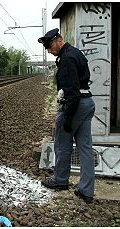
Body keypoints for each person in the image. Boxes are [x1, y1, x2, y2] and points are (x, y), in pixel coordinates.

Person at [37, 28, 96, 204]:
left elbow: (72, 92)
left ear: (58, 41)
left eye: (49, 45)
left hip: (75, 105)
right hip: (87, 103)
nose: (48, 49)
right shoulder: (76, 53)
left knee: (62, 143)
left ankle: (60, 180)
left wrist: (68, 119)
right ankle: (87, 191)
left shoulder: (67, 58)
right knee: (85, 148)